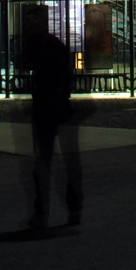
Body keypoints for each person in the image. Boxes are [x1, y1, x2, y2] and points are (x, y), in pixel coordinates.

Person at [26, 28, 82, 228]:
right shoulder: (59, 49)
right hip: (62, 106)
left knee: (43, 162)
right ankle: (74, 209)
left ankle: (42, 212)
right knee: (70, 162)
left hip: (44, 107)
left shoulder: (40, 50)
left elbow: (25, 65)